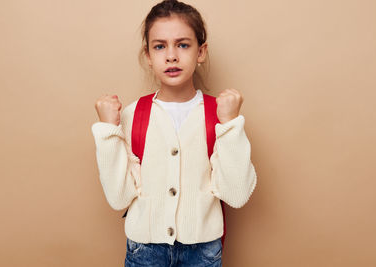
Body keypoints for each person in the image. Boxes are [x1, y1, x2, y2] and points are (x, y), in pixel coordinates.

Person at [91, 0, 257, 266]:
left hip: (203, 251)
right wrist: (107, 131)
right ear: (148, 55)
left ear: (201, 51)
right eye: (160, 46)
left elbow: (236, 195)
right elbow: (118, 197)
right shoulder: (134, 114)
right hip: (144, 251)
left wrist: (231, 125)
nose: (171, 56)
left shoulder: (221, 114)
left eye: (183, 44)